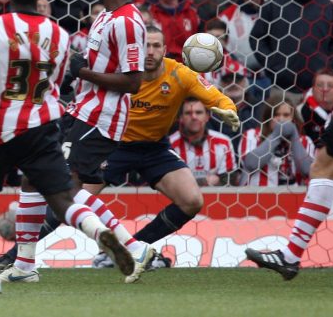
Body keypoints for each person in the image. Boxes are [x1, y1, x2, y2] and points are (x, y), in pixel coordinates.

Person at [0, 0, 135, 292]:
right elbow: (60, 79)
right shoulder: (60, 34)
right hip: (42, 124)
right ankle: (99, 232)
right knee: (62, 197)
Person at [0, 0, 153, 284]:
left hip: (102, 117)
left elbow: (133, 81)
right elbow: (97, 67)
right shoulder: (104, 18)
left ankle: (133, 246)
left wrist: (80, 69)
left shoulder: (128, 21)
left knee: (64, 188)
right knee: (33, 176)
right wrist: (74, 73)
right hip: (80, 109)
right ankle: (24, 266)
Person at [84, 26, 239, 270]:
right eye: (146, 45)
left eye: (156, 46)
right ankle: (18, 257)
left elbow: (215, 96)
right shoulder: (120, 71)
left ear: (165, 50)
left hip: (154, 148)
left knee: (192, 200)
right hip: (115, 145)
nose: (151, 51)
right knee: (73, 198)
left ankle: (131, 249)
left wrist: (229, 108)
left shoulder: (179, 73)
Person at [245, 102, 333, 279]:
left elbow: (306, 169)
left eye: (286, 115)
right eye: (276, 115)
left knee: (323, 168)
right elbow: (250, 164)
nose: (281, 120)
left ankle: (289, 257)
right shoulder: (252, 135)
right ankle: (289, 257)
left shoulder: (302, 140)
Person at [250, 0, 333, 93]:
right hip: (281, 87)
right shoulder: (274, 4)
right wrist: (272, 63)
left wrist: (327, 65)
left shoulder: (326, 6)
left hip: (317, 89)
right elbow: (257, 38)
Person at [169, 98, 238, 186]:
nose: (194, 117)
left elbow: (231, 179)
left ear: (207, 116)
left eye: (198, 112)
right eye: (188, 113)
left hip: (216, 196)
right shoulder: (170, 145)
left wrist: (219, 180)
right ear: (181, 118)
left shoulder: (223, 142)